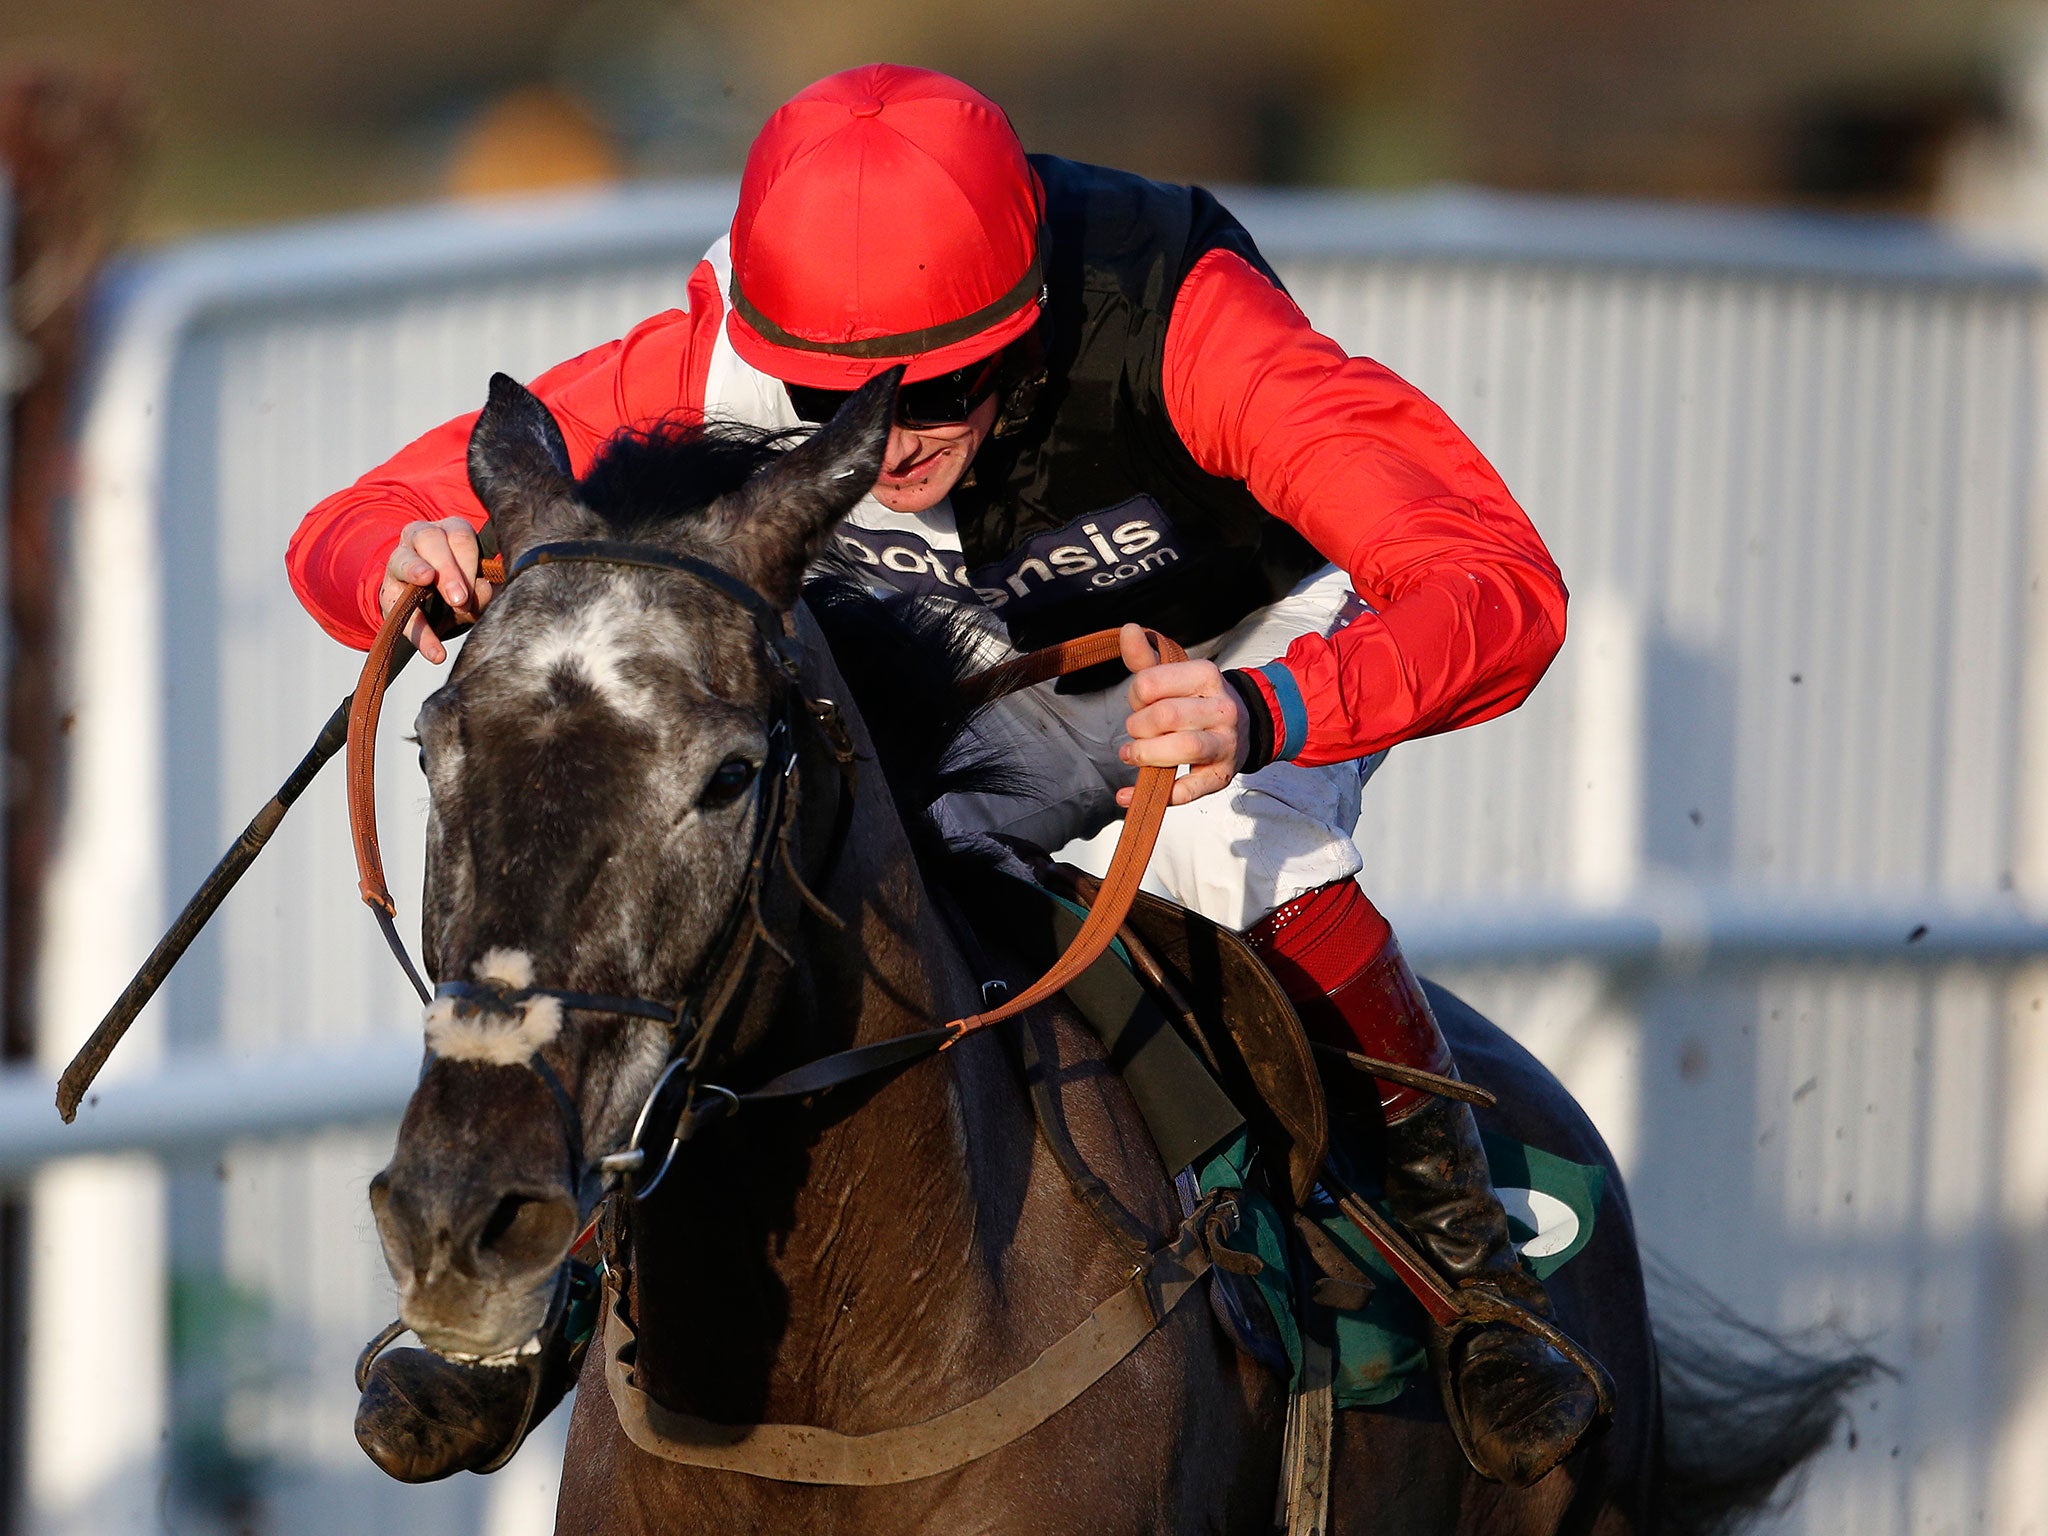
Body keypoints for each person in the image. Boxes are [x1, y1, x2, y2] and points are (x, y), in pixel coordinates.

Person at [295, 64, 1593, 1488]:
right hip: (949, 658)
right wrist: (395, 563)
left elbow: (1495, 582)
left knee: (1242, 853)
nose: (895, 439)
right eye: (829, 398)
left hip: (1215, 652)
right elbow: (365, 514)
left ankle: (1469, 1271)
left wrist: (1278, 705)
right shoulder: (722, 334)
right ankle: (550, 1278)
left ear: (1027, 321)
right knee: (748, 847)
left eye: (944, 389)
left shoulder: (1189, 319)